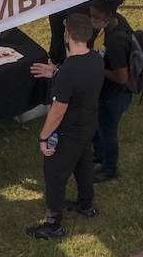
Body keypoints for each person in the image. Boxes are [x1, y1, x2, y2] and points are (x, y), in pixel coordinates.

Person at [27, 13, 105, 240]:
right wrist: (56, 73)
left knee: (54, 174)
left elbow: (58, 111)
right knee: (84, 163)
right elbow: (80, 82)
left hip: (68, 130)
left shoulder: (69, 71)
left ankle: (54, 226)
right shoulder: (96, 60)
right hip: (89, 124)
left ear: (67, 34)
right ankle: (85, 205)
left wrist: (43, 137)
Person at [87, 0, 139, 183]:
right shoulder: (114, 24)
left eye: (96, 18)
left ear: (109, 16)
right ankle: (99, 154)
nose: (93, 21)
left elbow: (121, 77)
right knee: (97, 125)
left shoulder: (116, 41)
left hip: (113, 96)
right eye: (91, 16)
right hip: (103, 92)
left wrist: (97, 66)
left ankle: (109, 169)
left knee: (107, 131)